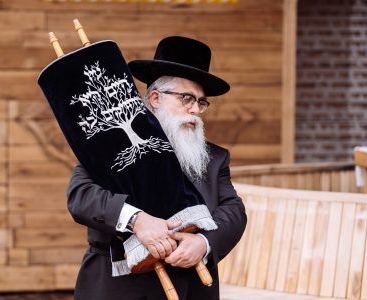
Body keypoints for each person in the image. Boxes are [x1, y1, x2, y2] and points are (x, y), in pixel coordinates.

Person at [67, 36, 247, 300]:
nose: (195, 109)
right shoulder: (110, 146)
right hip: (118, 287)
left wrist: (204, 243)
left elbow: (234, 210)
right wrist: (136, 219)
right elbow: (81, 196)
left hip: (191, 288)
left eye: (201, 102)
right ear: (154, 98)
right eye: (186, 98)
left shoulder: (214, 158)